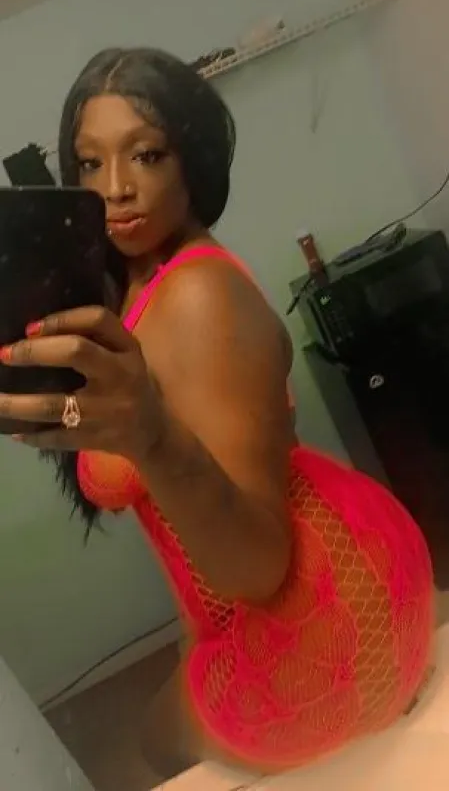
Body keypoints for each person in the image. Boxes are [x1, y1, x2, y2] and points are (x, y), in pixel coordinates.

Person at [0, 48, 433, 776]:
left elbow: (260, 569)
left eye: (146, 155)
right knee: (177, 694)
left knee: (149, 745)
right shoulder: (137, 286)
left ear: (193, 159)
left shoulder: (199, 298)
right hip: (317, 574)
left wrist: (148, 436)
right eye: (90, 163)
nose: (115, 188)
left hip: (323, 610)